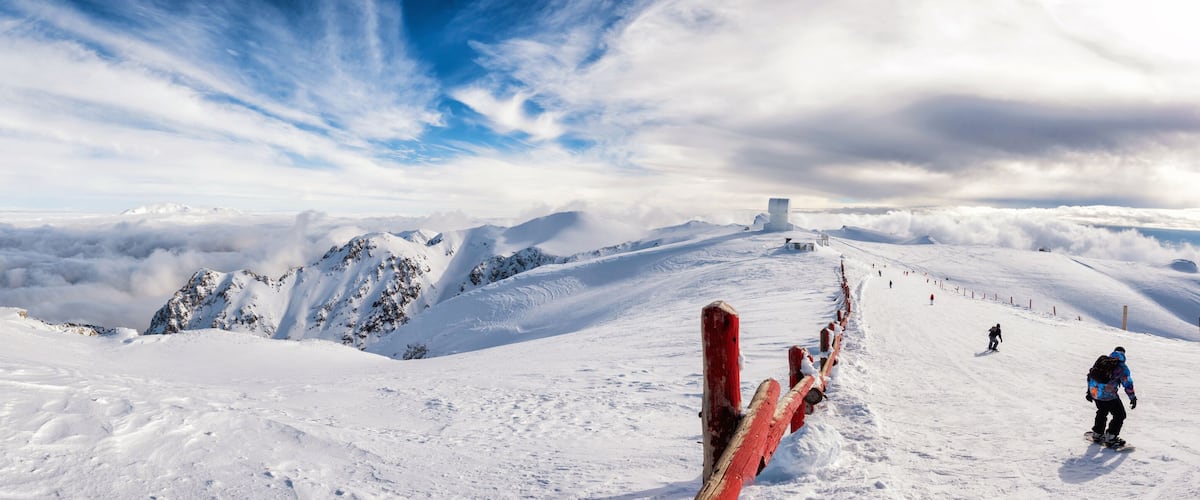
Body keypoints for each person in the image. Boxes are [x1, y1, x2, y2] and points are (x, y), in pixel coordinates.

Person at [1086, 346, 1137, 448]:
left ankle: (1097, 434)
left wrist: (1089, 392)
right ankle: (1111, 437)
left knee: (1102, 411)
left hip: (1095, 393)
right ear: (1123, 354)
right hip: (1109, 396)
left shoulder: (1103, 361)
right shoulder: (1122, 367)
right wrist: (1132, 398)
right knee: (1120, 415)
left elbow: (1090, 376)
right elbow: (1128, 384)